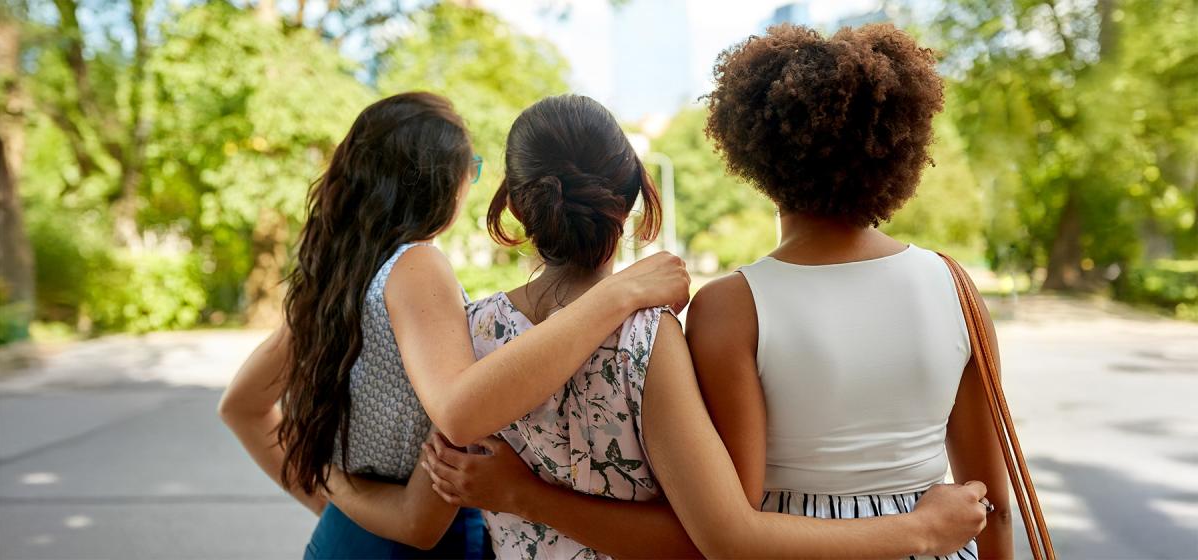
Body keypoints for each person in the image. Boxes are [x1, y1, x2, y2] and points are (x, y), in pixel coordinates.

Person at [416, 94, 992, 559]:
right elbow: (708, 539)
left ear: (515, 205)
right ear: (634, 197)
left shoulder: (472, 332)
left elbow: (424, 507)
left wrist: (516, 497)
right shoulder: (647, 340)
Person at [217, 92, 691, 559]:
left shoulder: (334, 279)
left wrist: (333, 489)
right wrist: (618, 293)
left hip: (346, 537)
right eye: (474, 167)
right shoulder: (418, 266)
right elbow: (423, 507)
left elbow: (241, 405)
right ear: (447, 182)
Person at [680, 23, 1014, 559]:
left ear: (756, 154)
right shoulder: (955, 286)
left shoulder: (730, 307)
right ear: (896, 147)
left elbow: (737, 519)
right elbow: (991, 504)